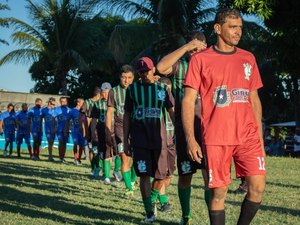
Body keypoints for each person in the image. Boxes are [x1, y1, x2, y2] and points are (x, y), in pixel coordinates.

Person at [182, 8, 266, 225]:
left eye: (240, 27)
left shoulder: (248, 58)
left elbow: (254, 99)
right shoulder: (200, 60)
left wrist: (260, 137)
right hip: (217, 138)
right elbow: (189, 101)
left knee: (257, 187)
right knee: (219, 194)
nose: (238, 32)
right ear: (218, 29)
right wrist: (191, 139)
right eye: (233, 27)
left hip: (248, 136)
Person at [157, 31, 208, 224]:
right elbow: (161, 67)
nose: (195, 50)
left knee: (209, 177)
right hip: (185, 128)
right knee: (186, 175)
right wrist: (186, 47)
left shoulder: (211, 64)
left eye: (199, 46)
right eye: (192, 46)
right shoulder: (180, 66)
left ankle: (213, 216)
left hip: (208, 128)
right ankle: (186, 216)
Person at [123, 57, 175, 222]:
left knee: (161, 176)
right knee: (144, 175)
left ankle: (152, 200)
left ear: (153, 70)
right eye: (141, 71)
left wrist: (180, 132)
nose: (145, 74)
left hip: (159, 140)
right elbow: (127, 116)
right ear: (138, 73)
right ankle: (149, 212)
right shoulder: (132, 90)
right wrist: (125, 140)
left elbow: (171, 111)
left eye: (147, 70)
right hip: (140, 140)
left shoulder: (162, 89)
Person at [106, 65, 136, 196]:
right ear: (120, 77)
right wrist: (108, 130)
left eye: (129, 78)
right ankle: (129, 188)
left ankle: (133, 180)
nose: (126, 80)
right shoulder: (114, 91)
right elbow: (109, 112)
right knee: (125, 158)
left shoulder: (137, 89)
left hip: (136, 128)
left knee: (136, 158)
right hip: (120, 129)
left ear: (133, 78)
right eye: (124, 77)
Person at [157, 76, 176, 212]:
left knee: (169, 175)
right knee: (160, 174)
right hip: (160, 142)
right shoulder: (155, 103)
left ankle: (156, 191)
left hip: (173, 143)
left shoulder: (176, 102)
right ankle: (163, 201)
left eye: (169, 90)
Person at [96, 82, 114, 184]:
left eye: (108, 92)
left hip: (115, 131)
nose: (106, 94)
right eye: (104, 92)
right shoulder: (97, 104)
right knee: (105, 153)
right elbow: (94, 119)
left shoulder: (115, 102)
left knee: (120, 153)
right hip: (102, 131)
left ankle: (116, 171)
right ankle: (106, 175)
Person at [85, 87, 102, 177]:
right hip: (93, 131)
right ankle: (94, 168)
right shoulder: (88, 103)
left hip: (100, 130)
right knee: (93, 150)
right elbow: (87, 117)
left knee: (98, 151)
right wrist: (87, 131)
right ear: (99, 94)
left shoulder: (104, 103)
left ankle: (98, 168)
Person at [69, 98, 88, 165]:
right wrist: (67, 128)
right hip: (75, 130)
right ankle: (75, 158)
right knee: (75, 144)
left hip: (82, 131)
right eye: (82, 103)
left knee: (81, 145)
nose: (84, 104)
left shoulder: (84, 111)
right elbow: (68, 120)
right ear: (78, 103)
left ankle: (79, 159)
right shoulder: (72, 110)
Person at [55, 97, 71, 163]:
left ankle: (63, 157)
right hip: (59, 129)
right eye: (62, 101)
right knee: (60, 142)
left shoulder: (69, 110)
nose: (64, 102)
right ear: (60, 102)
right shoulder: (57, 109)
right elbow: (53, 118)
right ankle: (60, 157)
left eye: (65, 101)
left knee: (64, 144)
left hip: (66, 129)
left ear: (67, 102)